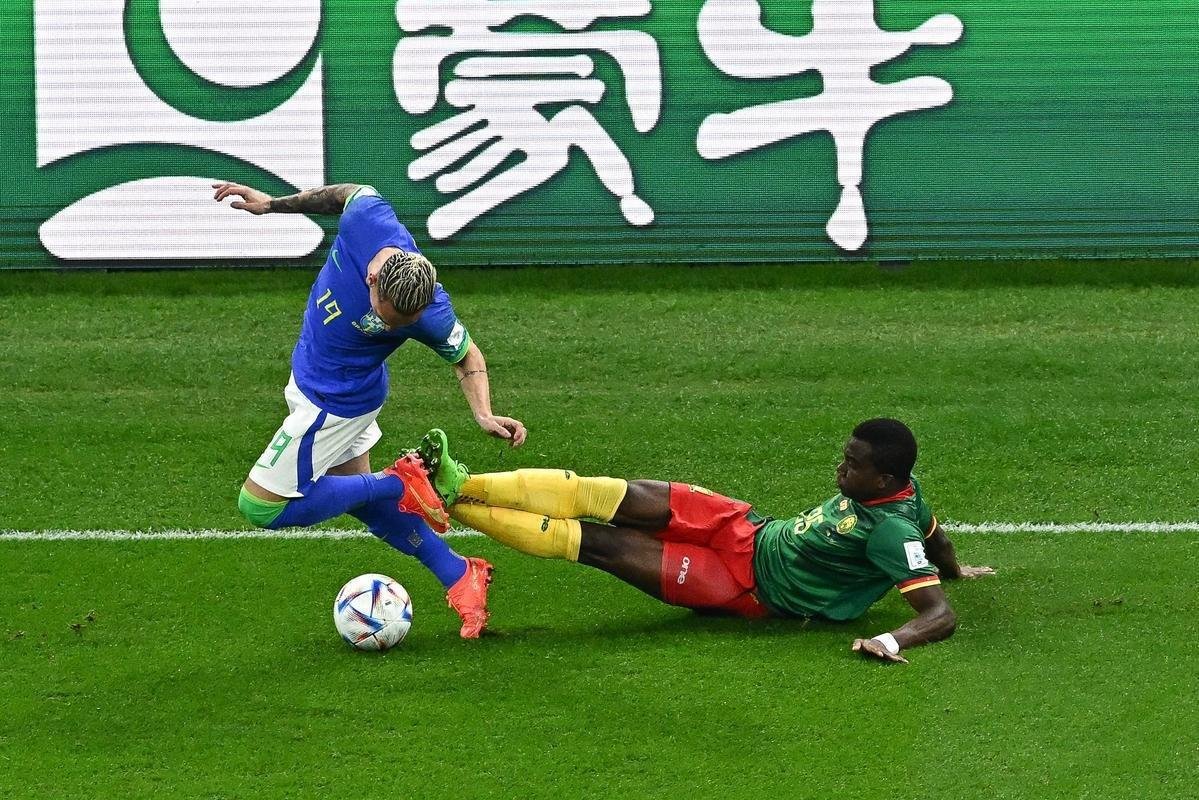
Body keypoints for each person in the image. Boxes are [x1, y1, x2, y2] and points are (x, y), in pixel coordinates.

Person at [213, 181, 527, 638]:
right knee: (361, 500)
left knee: (261, 506)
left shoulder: (431, 313)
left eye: (401, 325)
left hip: (335, 404)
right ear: (373, 279)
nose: (385, 324)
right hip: (319, 379)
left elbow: (467, 357)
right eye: (386, 316)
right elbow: (342, 194)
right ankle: (460, 574)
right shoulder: (367, 219)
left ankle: (398, 481)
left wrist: (484, 413)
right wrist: (273, 206)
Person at [407, 418, 993, 661]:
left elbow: (938, 615)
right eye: (845, 456)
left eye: (853, 465)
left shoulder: (889, 530)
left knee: (597, 543)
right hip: (746, 527)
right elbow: (935, 535)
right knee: (604, 492)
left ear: (884, 480)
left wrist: (888, 640)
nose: (840, 469)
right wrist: (957, 567)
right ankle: (459, 481)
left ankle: (449, 503)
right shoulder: (905, 494)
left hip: (745, 587)